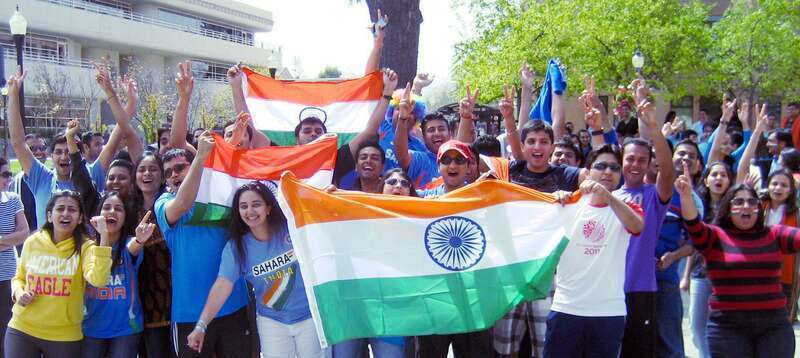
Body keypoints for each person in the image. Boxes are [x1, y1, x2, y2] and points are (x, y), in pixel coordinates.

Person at [187, 182, 322, 357]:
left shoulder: (292, 229)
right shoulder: (236, 247)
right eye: (243, 206)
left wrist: (324, 197)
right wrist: (201, 325)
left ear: (268, 207)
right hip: (272, 322)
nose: (250, 211)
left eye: (256, 204)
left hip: (310, 316)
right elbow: (222, 285)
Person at [675, 175, 799, 357]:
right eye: (739, 202)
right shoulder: (714, 236)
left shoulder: (774, 234)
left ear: (758, 208)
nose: (746, 206)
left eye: (751, 202)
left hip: (774, 326)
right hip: (728, 328)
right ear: (728, 209)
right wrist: (686, 196)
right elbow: (693, 225)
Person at [155, 133, 251, 357]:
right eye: (168, 173)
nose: (174, 175)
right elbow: (182, 204)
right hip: (190, 314)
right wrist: (199, 158)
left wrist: (226, 143)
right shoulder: (164, 202)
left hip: (233, 305)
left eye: (180, 168)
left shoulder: (222, 197)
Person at [544, 144, 644, 358]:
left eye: (614, 168)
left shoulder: (627, 205)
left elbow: (636, 226)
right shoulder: (567, 203)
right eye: (601, 166)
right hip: (566, 308)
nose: (608, 172)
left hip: (608, 312)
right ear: (587, 172)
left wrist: (607, 196)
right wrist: (559, 200)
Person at [3, 191, 112, 357]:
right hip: (22, 328)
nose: (66, 214)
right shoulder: (33, 242)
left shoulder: (86, 247)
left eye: (72, 210)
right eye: (60, 209)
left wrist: (104, 236)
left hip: (64, 337)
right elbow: (18, 278)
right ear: (49, 215)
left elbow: (99, 279)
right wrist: (19, 293)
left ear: (80, 218)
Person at [412, 139, 492, 357]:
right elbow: (385, 200)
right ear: (438, 166)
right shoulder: (422, 199)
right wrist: (337, 196)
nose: (452, 166)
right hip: (435, 298)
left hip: (473, 298)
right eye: (446, 160)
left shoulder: (484, 198)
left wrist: (556, 199)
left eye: (459, 160)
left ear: (469, 166)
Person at [613, 79, 674, 358]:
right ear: (621, 161)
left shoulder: (653, 196)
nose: (635, 164)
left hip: (641, 290)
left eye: (641, 160)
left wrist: (652, 127)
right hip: (607, 289)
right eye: (630, 159)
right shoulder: (608, 196)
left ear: (649, 164)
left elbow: (668, 170)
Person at [82, 193, 156, 358]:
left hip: (125, 329)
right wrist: (103, 236)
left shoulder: (129, 243)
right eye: (106, 207)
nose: (112, 212)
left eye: (118, 209)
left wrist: (140, 240)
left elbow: (133, 248)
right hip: (91, 326)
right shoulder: (87, 246)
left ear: (125, 217)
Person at [0, 157, 30, 357]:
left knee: (6, 330)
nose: (9, 178)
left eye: (10, 173)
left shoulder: (13, 199)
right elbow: (16, 235)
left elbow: (24, 233)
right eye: (5, 174)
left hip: (8, 277)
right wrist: (8, 240)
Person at [10, 133, 47, 232]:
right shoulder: (16, 184)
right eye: (32, 149)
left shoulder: (52, 178)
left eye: (42, 148)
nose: (39, 152)